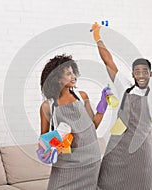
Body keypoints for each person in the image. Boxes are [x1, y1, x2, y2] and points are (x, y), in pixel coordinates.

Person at [91, 22, 152, 190]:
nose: (141, 74)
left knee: (143, 182)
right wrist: (98, 37)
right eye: (137, 71)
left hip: (142, 150)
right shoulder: (123, 86)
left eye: (145, 71)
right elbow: (107, 60)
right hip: (118, 147)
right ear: (133, 74)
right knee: (108, 180)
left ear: (150, 74)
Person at [37, 54, 110, 190]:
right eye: (68, 74)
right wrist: (46, 150)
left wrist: (102, 106)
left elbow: (92, 127)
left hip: (90, 159)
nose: (74, 77)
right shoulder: (48, 106)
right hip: (66, 163)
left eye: (73, 73)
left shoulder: (82, 97)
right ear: (57, 78)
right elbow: (43, 139)